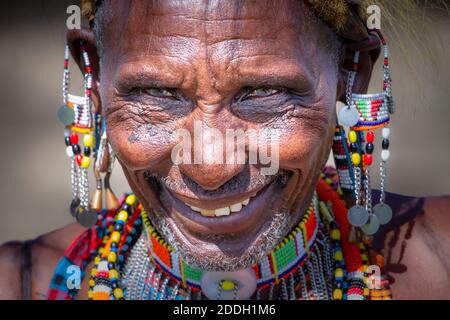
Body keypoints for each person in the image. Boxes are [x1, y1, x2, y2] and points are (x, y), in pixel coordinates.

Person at [0, 0, 449, 300]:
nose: (211, 166)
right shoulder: (21, 284)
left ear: (352, 73)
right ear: (93, 74)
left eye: (265, 91)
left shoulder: (440, 263)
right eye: (156, 92)